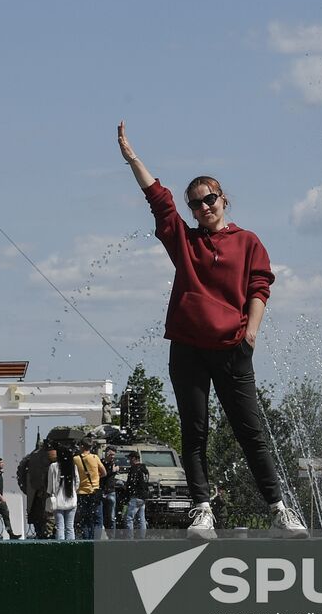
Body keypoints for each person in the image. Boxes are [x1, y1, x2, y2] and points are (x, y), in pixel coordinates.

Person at [118, 121, 308, 541]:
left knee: (250, 430)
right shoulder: (184, 242)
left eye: (209, 199)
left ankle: (279, 509)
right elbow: (159, 202)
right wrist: (134, 159)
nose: (203, 207)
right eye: (196, 204)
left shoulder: (248, 242)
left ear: (224, 199)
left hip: (233, 348)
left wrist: (251, 333)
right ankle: (201, 509)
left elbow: (260, 285)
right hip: (188, 348)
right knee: (195, 428)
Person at [47, 445, 78, 540]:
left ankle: (61, 549)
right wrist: (73, 491)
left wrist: (50, 493)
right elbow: (77, 482)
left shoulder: (53, 466)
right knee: (70, 527)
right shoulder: (73, 467)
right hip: (71, 500)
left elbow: (50, 484)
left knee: (60, 527)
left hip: (58, 501)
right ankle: (71, 548)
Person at [74, 441, 102, 539]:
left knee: (84, 519)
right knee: (97, 519)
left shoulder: (76, 459)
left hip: (82, 493)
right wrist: (96, 477)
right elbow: (104, 472)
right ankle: (96, 541)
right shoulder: (95, 458)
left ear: (81, 446)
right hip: (95, 492)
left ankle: (86, 541)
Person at [121, 451, 150, 539]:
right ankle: (142, 538)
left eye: (129, 458)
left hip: (136, 496)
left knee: (129, 518)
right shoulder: (144, 469)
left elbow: (131, 483)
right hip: (143, 497)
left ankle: (129, 538)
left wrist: (125, 489)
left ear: (133, 458)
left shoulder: (134, 468)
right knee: (142, 519)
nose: (129, 460)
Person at [100, 447, 119, 540]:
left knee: (111, 517)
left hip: (111, 491)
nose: (112, 457)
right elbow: (102, 475)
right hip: (102, 490)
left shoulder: (114, 463)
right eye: (110, 454)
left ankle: (112, 537)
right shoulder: (101, 463)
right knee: (100, 515)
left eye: (113, 455)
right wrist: (112, 471)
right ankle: (101, 535)